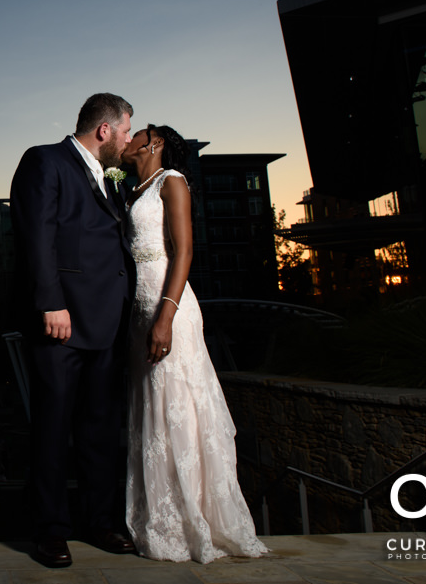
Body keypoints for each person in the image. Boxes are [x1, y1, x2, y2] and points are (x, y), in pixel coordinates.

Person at [120, 124, 268, 563]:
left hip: (170, 308)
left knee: (178, 406)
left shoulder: (173, 182)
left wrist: (165, 316)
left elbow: (183, 250)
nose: (127, 140)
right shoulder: (133, 187)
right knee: (151, 410)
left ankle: (195, 523)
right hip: (138, 310)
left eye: (136, 134)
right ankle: (161, 520)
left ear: (155, 143)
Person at [10, 93, 138, 568]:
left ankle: (101, 523)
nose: (127, 139)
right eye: (125, 130)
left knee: (101, 430)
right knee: (52, 429)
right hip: (60, 321)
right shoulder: (44, 160)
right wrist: (50, 302)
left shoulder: (113, 172)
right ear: (103, 130)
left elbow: (117, 222)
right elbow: (36, 235)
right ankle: (50, 531)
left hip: (108, 320)